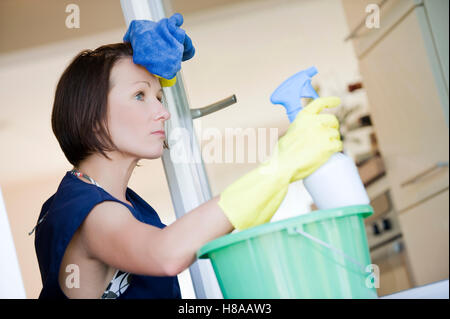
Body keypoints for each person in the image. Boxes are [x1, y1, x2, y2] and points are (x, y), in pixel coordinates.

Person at [33, 14, 342, 299]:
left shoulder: (120, 202)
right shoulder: (87, 211)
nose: (163, 112)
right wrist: (280, 167)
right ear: (92, 116)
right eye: (140, 96)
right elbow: (165, 253)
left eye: (158, 96)